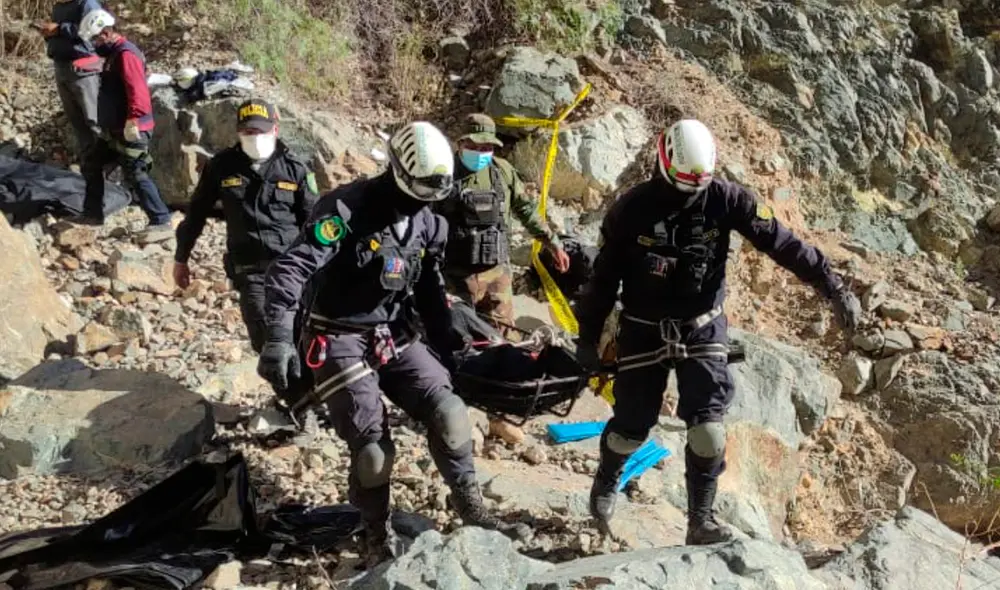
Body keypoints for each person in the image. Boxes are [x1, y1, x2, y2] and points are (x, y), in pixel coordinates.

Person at [573, 119, 862, 546]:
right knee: (630, 430)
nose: (692, 191)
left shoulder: (727, 199)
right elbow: (602, 280)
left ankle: (700, 521)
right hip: (641, 328)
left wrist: (831, 286)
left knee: (708, 430)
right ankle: (605, 481)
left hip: (703, 325)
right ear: (664, 160)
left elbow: (782, 243)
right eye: (684, 182)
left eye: (699, 182)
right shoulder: (631, 210)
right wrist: (587, 336)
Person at [257, 121, 508, 567]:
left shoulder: (431, 223)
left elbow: (429, 285)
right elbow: (289, 269)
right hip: (336, 334)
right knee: (374, 452)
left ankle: (471, 506)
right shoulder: (346, 209)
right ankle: (375, 530)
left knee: (450, 413)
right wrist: (278, 337)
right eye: (419, 193)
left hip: (393, 332)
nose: (424, 204)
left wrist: (448, 340)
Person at [173, 98, 319, 353]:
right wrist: (181, 258)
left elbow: (315, 222)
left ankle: (308, 390)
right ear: (239, 132)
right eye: (248, 132)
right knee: (267, 341)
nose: (255, 137)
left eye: (261, 131)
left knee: (304, 335)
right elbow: (196, 214)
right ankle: (291, 391)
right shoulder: (221, 167)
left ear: (275, 129)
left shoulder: (295, 169)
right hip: (251, 270)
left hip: (292, 268)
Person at [435, 114, 570, 332]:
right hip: (454, 277)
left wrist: (552, 243)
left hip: (497, 276)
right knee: (455, 336)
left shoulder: (503, 171)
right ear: (461, 143)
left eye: (487, 147)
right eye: (475, 146)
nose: (481, 153)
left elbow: (526, 210)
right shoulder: (443, 174)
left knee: (504, 337)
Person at [75, 8, 172, 237]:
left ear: (107, 33)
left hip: (132, 127)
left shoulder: (127, 54)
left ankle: (161, 220)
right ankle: (92, 214)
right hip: (113, 129)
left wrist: (134, 120)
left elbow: (136, 89)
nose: (94, 44)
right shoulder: (113, 55)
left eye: (96, 38)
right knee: (91, 163)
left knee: (136, 172)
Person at [35, 0, 103, 162]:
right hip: (61, 66)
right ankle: (90, 163)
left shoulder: (87, 4)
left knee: (94, 119)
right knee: (76, 119)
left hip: (84, 70)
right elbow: (58, 34)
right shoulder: (58, 7)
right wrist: (48, 33)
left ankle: (109, 165)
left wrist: (59, 29)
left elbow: (93, 30)